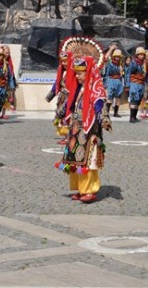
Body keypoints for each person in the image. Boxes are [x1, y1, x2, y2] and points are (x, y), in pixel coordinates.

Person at [54, 56, 111, 203]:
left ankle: (90, 190)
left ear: (89, 72)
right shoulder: (77, 89)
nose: (77, 76)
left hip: (89, 131)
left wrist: (104, 119)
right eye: (76, 73)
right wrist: (59, 113)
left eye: (80, 73)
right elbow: (68, 104)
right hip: (75, 130)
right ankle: (80, 188)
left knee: (88, 162)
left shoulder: (96, 90)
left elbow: (100, 106)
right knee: (75, 161)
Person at [46, 51, 73, 144]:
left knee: (68, 116)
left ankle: (69, 137)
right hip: (62, 97)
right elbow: (57, 83)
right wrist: (50, 95)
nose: (64, 63)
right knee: (61, 117)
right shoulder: (61, 71)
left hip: (70, 97)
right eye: (62, 61)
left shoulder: (73, 72)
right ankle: (66, 136)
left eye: (66, 61)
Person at [125, 47, 148, 123]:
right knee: (133, 99)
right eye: (140, 55)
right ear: (137, 55)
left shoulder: (145, 64)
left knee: (138, 100)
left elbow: (147, 75)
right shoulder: (133, 63)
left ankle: (135, 116)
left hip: (141, 84)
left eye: (143, 54)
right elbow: (128, 73)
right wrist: (127, 85)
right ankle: (131, 117)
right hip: (134, 83)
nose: (142, 56)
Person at [103, 46, 124, 118]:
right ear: (114, 56)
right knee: (110, 97)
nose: (118, 58)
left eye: (119, 56)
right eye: (116, 56)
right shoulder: (110, 64)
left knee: (118, 96)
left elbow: (121, 74)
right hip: (111, 80)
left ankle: (116, 112)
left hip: (118, 81)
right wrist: (111, 49)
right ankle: (107, 113)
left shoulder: (120, 65)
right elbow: (105, 59)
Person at [0, 45, 17, 120]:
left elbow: (11, 73)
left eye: (8, 53)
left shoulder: (9, 61)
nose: (7, 54)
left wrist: (11, 84)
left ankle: (3, 114)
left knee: (5, 99)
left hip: (6, 83)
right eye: (6, 53)